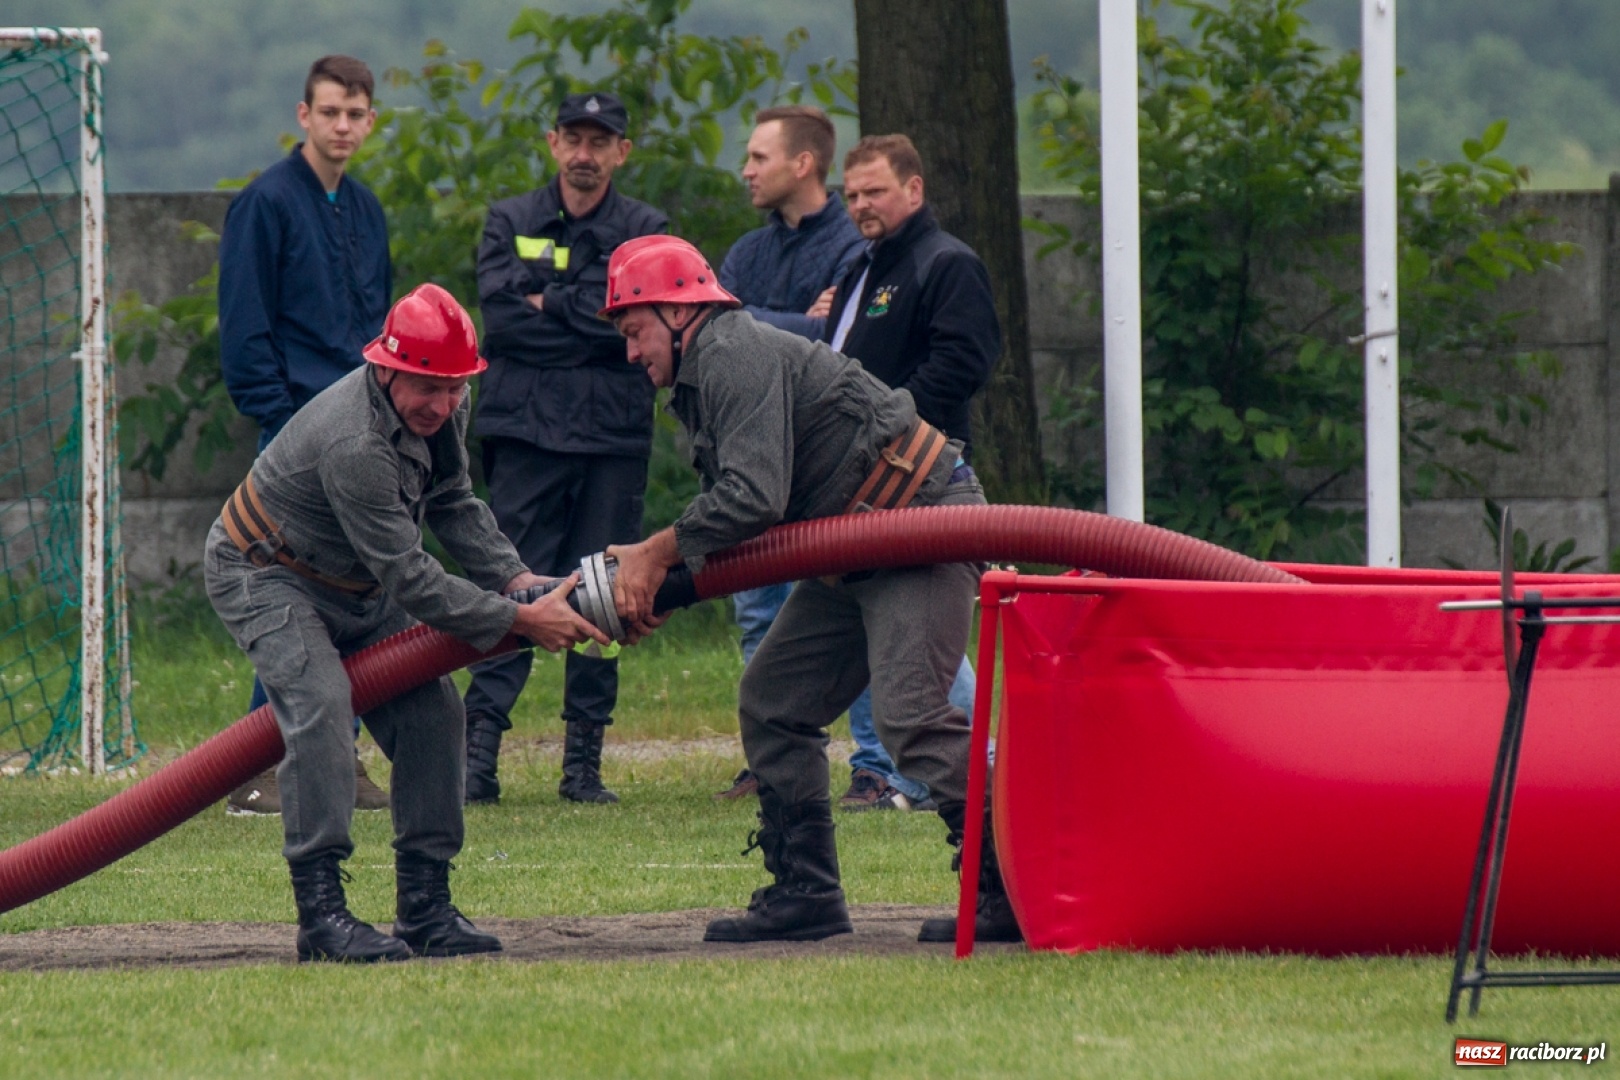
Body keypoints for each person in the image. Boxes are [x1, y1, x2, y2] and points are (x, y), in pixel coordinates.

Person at [600, 236, 1021, 945]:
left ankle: (1008, 888)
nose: (631, 354)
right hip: (857, 543)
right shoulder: (708, 369)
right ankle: (806, 895)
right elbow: (744, 529)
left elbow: (751, 498)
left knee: (912, 715)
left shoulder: (729, 351)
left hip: (917, 526)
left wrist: (651, 555)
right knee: (775, 705)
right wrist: (661, 588)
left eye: (634, 332)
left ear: (677, 311)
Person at [204, 284, 614, 963]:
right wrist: (520, 618)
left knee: (433, 714)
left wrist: (514, 578)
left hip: (355, 580)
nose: (444, 405)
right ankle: (323, 918)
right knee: (321, 706)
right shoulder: (354, 442)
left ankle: (425, 909)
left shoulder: (444, 402)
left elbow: (453, 499)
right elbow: (412, 579)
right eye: (428, 387)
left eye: (456, 389)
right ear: (386, 369)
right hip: (267, 572)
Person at [461, 91, 668, 807]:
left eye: (599, 140)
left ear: (621, 152)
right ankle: (476, 755)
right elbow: (503, 323)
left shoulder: (646, 230)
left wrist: (553, 303)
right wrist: (590, 312)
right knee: (513, 587)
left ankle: (584, 768)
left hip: (611, 440)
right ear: (552, 144)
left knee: (609, 594)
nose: (584, 153)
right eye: (573, 139)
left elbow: (636, 327)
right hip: (525, 435)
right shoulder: (509, 220)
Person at [216, 54, 393, 816]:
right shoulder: (265, 203)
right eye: (330, 113)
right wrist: (280, 424)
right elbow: (245, 330)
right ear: (304, 115)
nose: (343, 127)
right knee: (289, 597)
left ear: (370, 121)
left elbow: (378, 329)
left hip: (361, 431)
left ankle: (330, 757)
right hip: (293, 439)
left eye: (356, 114)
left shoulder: (366, 207)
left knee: (353, 596)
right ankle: (265, 761)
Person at [817, 133, 1001, 813]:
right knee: (908, 634)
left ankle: (984, 771)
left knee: (919, 635)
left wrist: (890, 431)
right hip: (864, 484)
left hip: (919, 479)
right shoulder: (865, 269)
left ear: (914, 190)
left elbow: (963, 363)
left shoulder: (945, 263)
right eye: (852, 194)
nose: (862, 205)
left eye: (876, 192)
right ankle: (955, 766)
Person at [709, 105, 865, 802]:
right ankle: (770, 759)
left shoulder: (853, 247)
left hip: (823, 468)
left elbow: (837, 339)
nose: (746, 170)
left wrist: (755, 322)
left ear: (803, 164)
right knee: (758, 613)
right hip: (756, 461)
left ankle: (879, 771)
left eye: (758, 157)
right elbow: (719, 320)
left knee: (854, 610)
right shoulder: (747, 250)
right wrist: (799, 321)